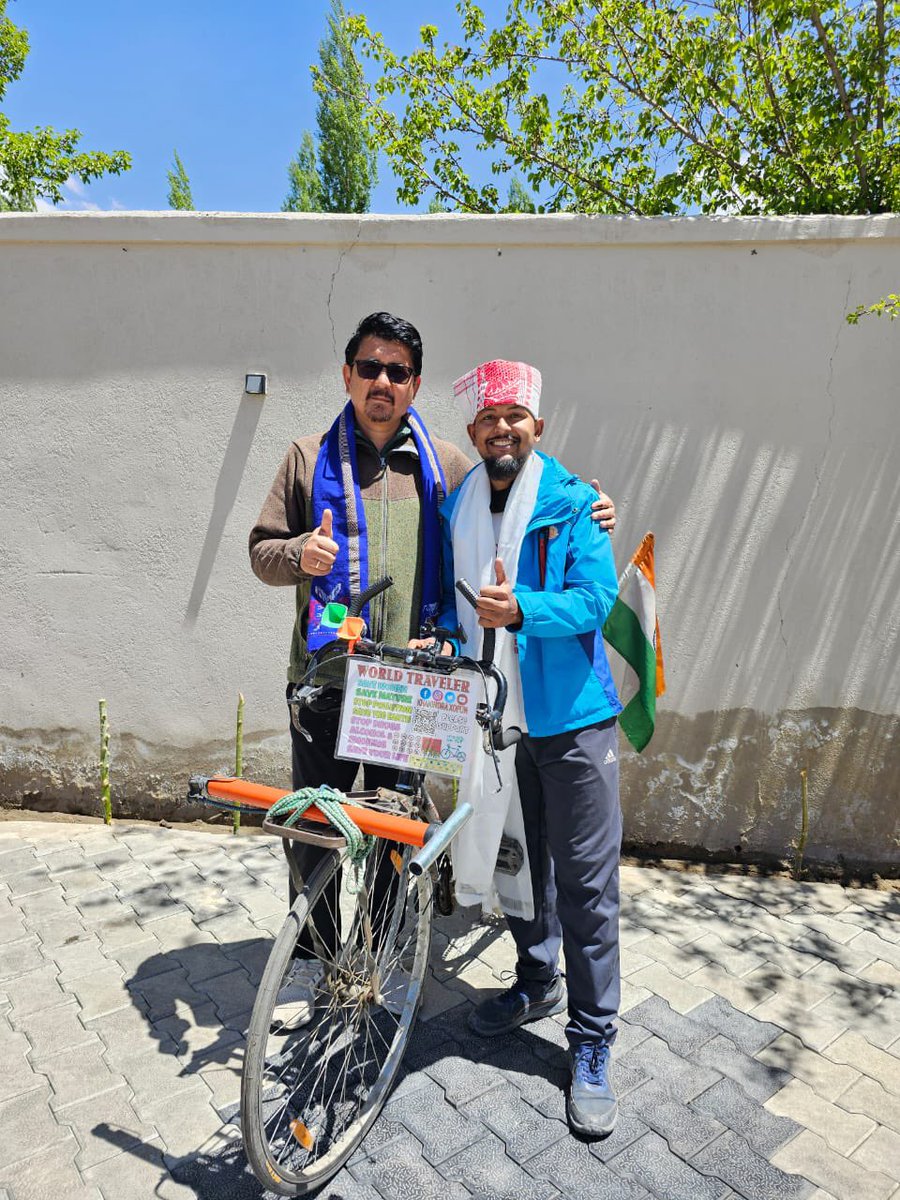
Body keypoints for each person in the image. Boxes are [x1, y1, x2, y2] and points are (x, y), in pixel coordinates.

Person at [249, 314, 616, 1028]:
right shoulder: (303, 458)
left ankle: (379, 954)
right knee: (318, 824)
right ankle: (327, 957)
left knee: (394, 825)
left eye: (397, 371)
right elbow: (261, 554)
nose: (382, 382)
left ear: (414, 384)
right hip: (326, 678)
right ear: (347, 374)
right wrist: (300, 556)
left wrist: (595, 508)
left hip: (405, 687)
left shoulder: (446, 464)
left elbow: (524, 500)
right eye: (369, 367)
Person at [434, 359, 623, 1138]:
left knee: (584, 883)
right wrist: (446, 636)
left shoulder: (574, 503)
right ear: (474, 433)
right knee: (520, 859)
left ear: (536, 429)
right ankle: (536, 978)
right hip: (495, 715)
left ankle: (592, 1041)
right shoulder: (457, 506)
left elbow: (595, 598)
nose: (502, 430)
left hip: (572, 720)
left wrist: (521, 610)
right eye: (489, 420)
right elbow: (451, 598)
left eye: (516, 418)